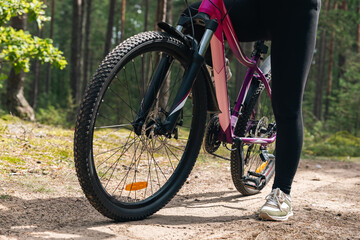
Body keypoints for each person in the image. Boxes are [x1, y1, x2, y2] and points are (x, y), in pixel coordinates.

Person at [185, 0, 320, 221]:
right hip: (255, 5)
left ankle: (281, 194)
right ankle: (213, 75)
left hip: (296, 9)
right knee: (195, 17)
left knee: (287, 105)